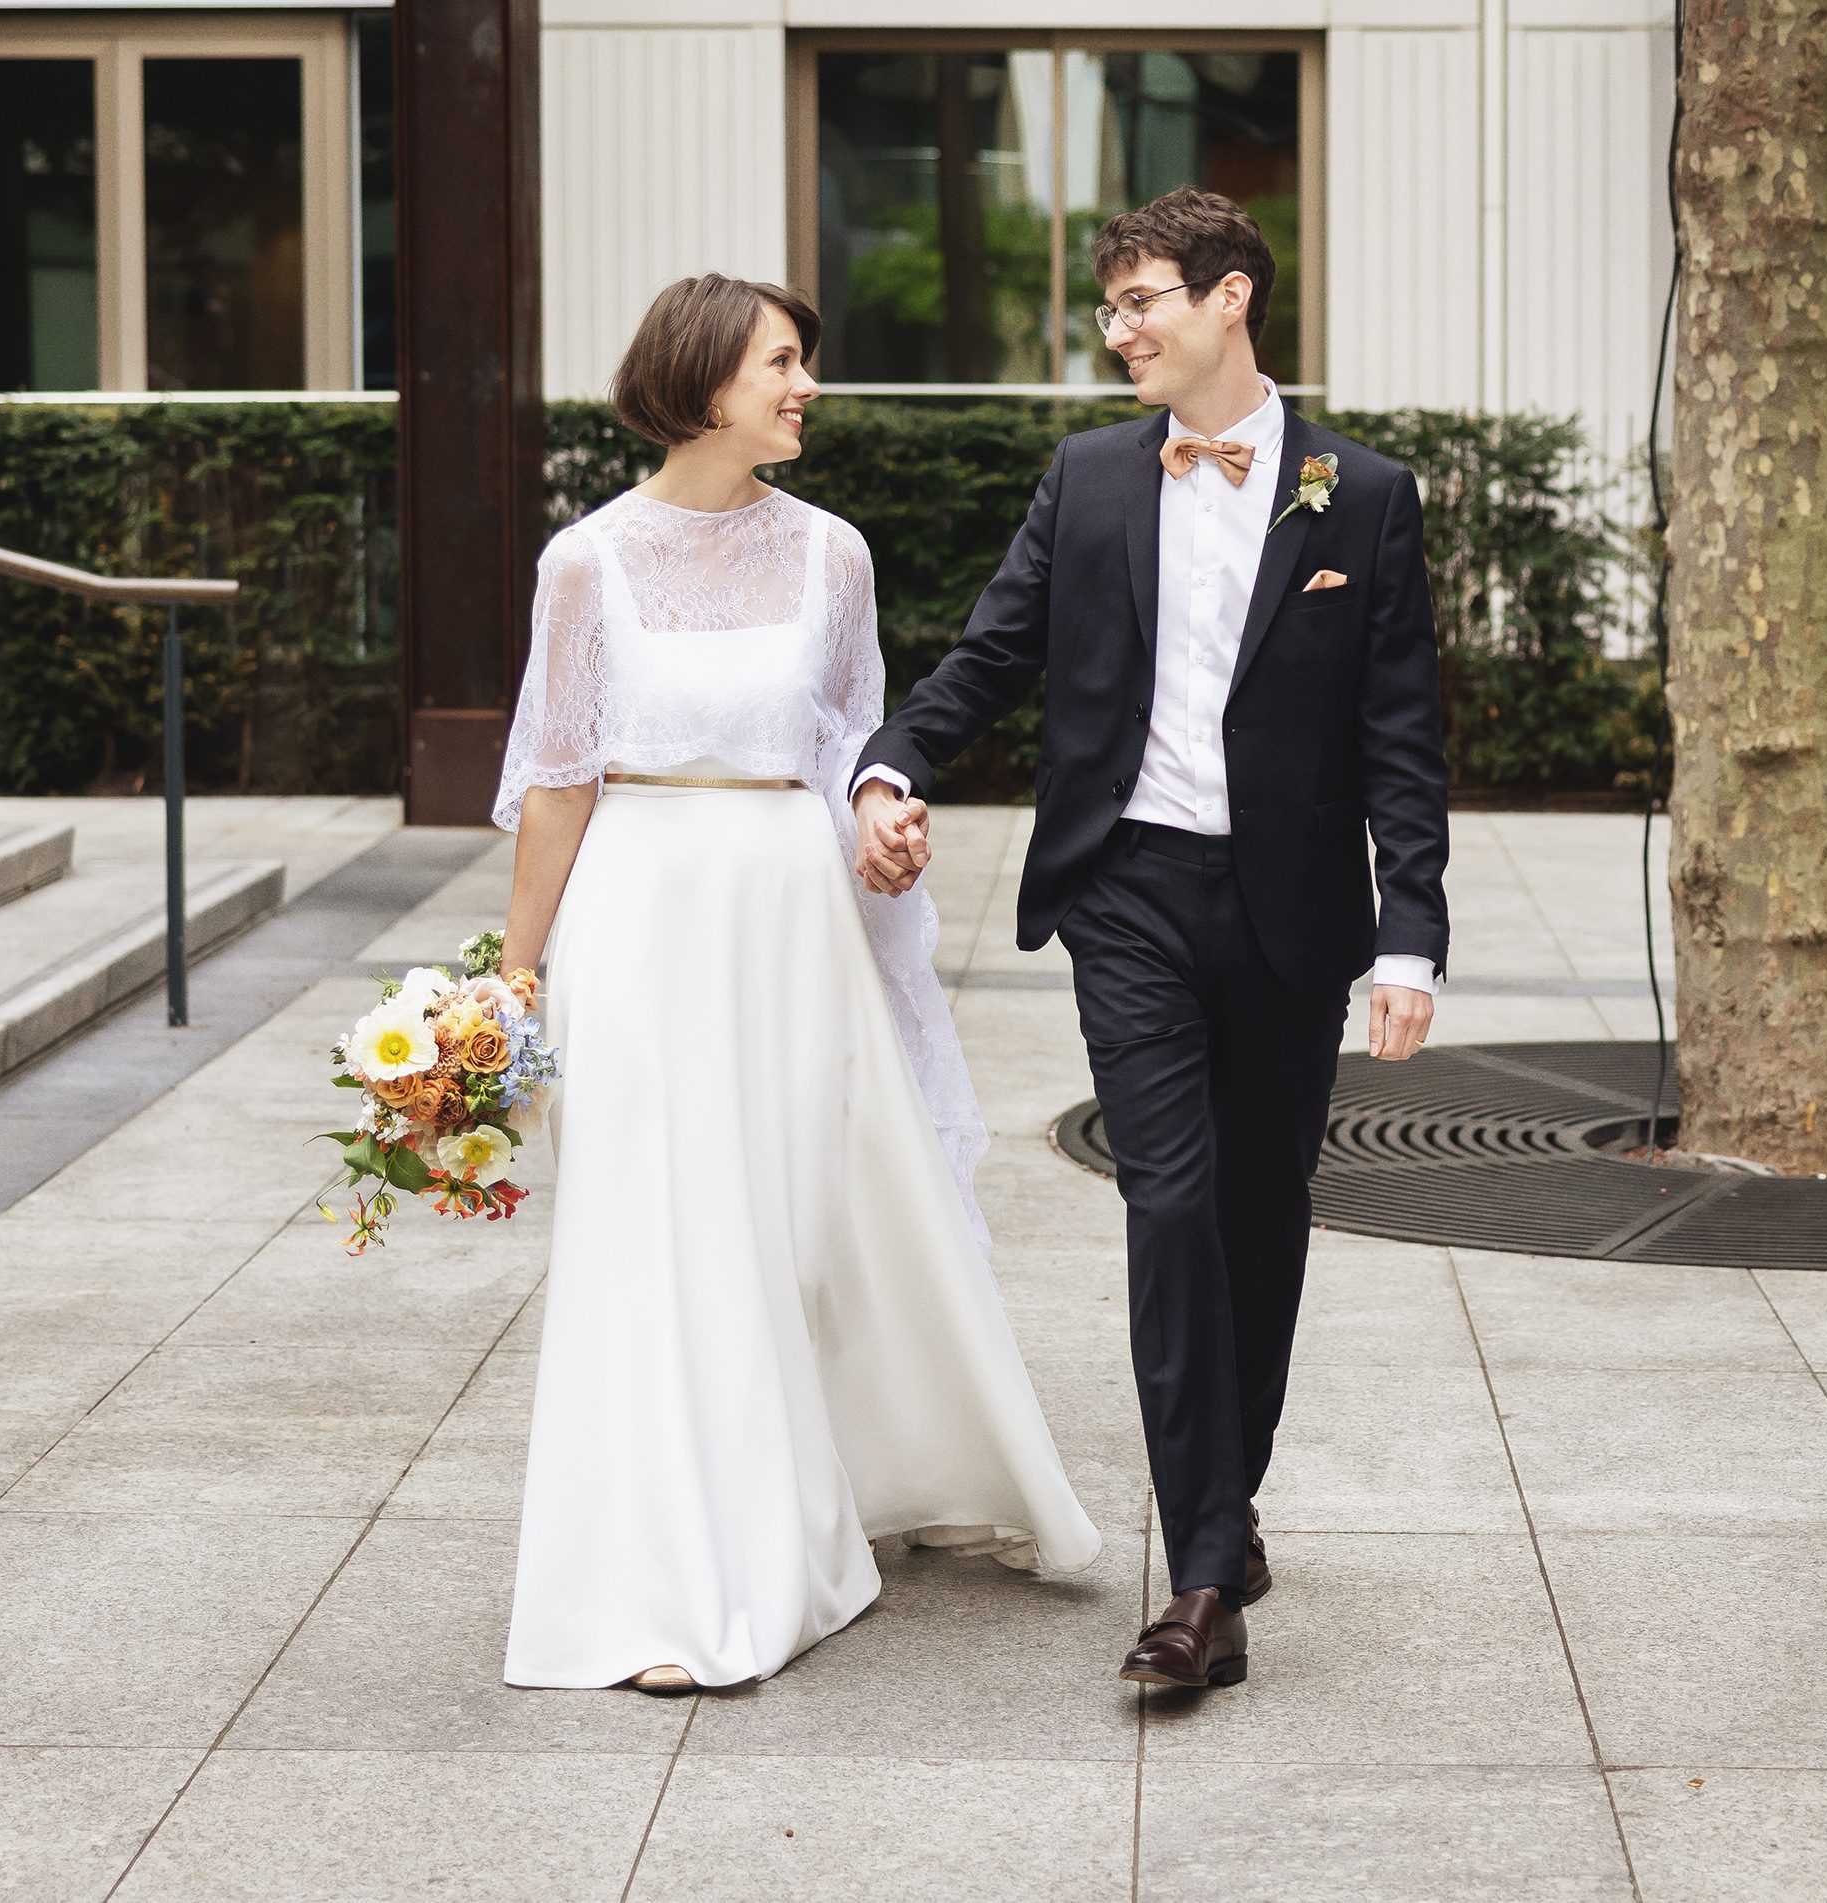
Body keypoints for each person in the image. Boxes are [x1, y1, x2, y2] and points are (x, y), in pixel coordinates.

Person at [849, 188, 1452, 1691]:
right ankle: (1197, 1582)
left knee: (1260, 1216)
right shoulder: (1089, 477)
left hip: (1292, 913)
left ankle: (1221, 1500)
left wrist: (1411, 937)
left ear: (1230, 298)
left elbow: (1403, 737)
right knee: (1169, 1203)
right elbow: (995, 649)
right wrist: (890, 762)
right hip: (1125, 890)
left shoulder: (1357, 494)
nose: (1116, 332)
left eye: (1140, 302)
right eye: (1109, 307)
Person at [490, 274, 1100, 1696]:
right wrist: (512, 980)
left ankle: (786, 1523)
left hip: (786, 923)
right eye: (781, 362)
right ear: (705, 383)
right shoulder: (585, 563)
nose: (804, 385)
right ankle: (660, 1576)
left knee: (777, 1227)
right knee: (650, 1240)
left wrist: (878, 817)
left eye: (802, 363)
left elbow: (842, 742)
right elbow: (558, 782)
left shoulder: (833, 555)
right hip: (637, 923)